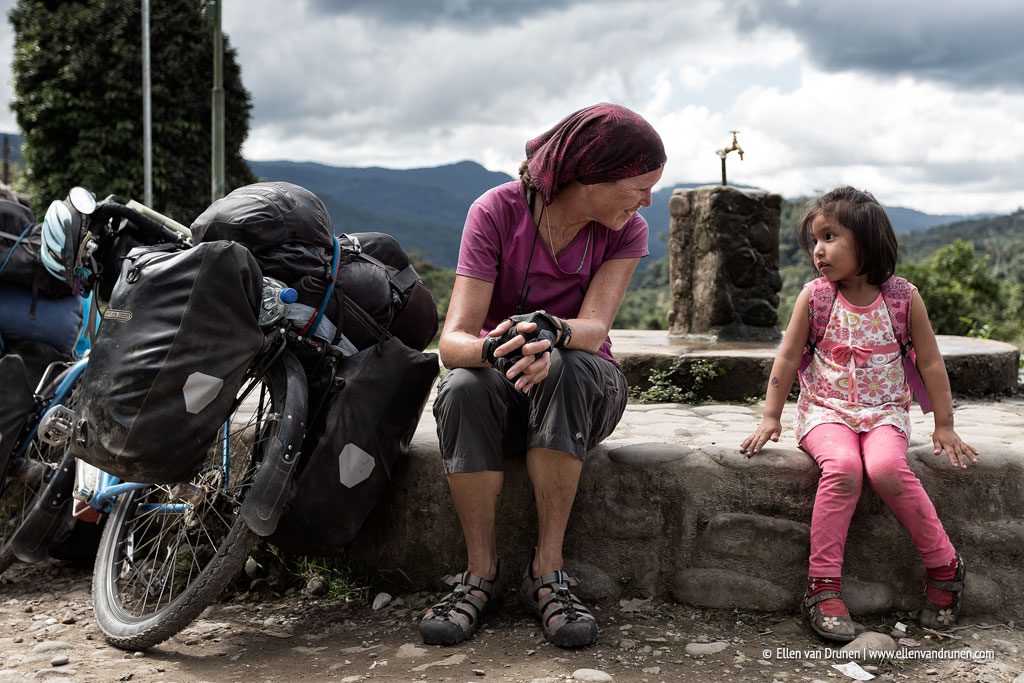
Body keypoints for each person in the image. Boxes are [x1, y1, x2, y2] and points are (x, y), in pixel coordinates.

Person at [419, 103, 666, 649]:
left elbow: (596, 326)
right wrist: (504, 349)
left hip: (583, 388)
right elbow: (453, 342)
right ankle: (478, 574)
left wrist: (551, 334)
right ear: (592, 176)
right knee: (462, 385)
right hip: (502, 385)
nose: (647, 201)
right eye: (639, 186)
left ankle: (546, 572)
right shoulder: (496, 212)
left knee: (572, 367)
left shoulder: (627, 231)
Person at [740, 186, 978, 642]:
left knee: (888, 467)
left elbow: (929, 362)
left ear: (867, 241)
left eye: (830, 236)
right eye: (814, 240)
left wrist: (944, 425)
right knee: (844, 468)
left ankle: (945, 567)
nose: (818, 250)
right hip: (825, 412)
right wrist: (771, 416)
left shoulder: (903, 298)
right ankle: (823, 584)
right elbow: (788, 359)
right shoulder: (816, 297)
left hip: (885, 412)